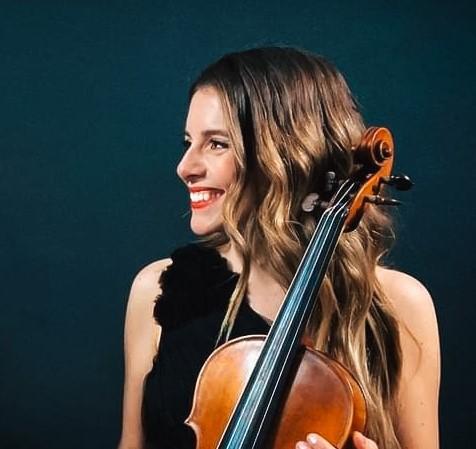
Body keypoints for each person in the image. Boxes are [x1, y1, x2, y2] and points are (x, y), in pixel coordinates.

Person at [117, 47, 440, 449]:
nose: (185, 167)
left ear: (286, 154)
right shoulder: (159, 290)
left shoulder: (399, 305)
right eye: (188, 141)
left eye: (217, 144)